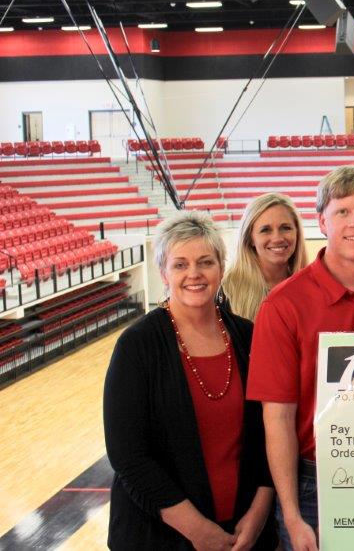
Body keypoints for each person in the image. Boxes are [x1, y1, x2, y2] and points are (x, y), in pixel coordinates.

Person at [247, 167, 354, 551]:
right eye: (342, 212)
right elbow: (276, 418)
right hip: (314, 484)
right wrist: (292, 515)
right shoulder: (282, 306)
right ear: (321, 221)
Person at [103, 211, 275, 550]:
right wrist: (197, 531)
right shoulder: (137, 345)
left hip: (243, 532)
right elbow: (128, 455)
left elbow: (270, 435)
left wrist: (258, 513)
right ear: (163, 273)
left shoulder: (248, 335)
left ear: (221, 268)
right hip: (162, 537)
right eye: (180, 264)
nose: (194, 274)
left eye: (205, 262)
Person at [222, 192, 309, 321]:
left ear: (297, 232)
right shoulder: (227, 291)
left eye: (285, 228)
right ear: (250, 238)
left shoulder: (312, 287)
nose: (277, 238)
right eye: (265, 230)